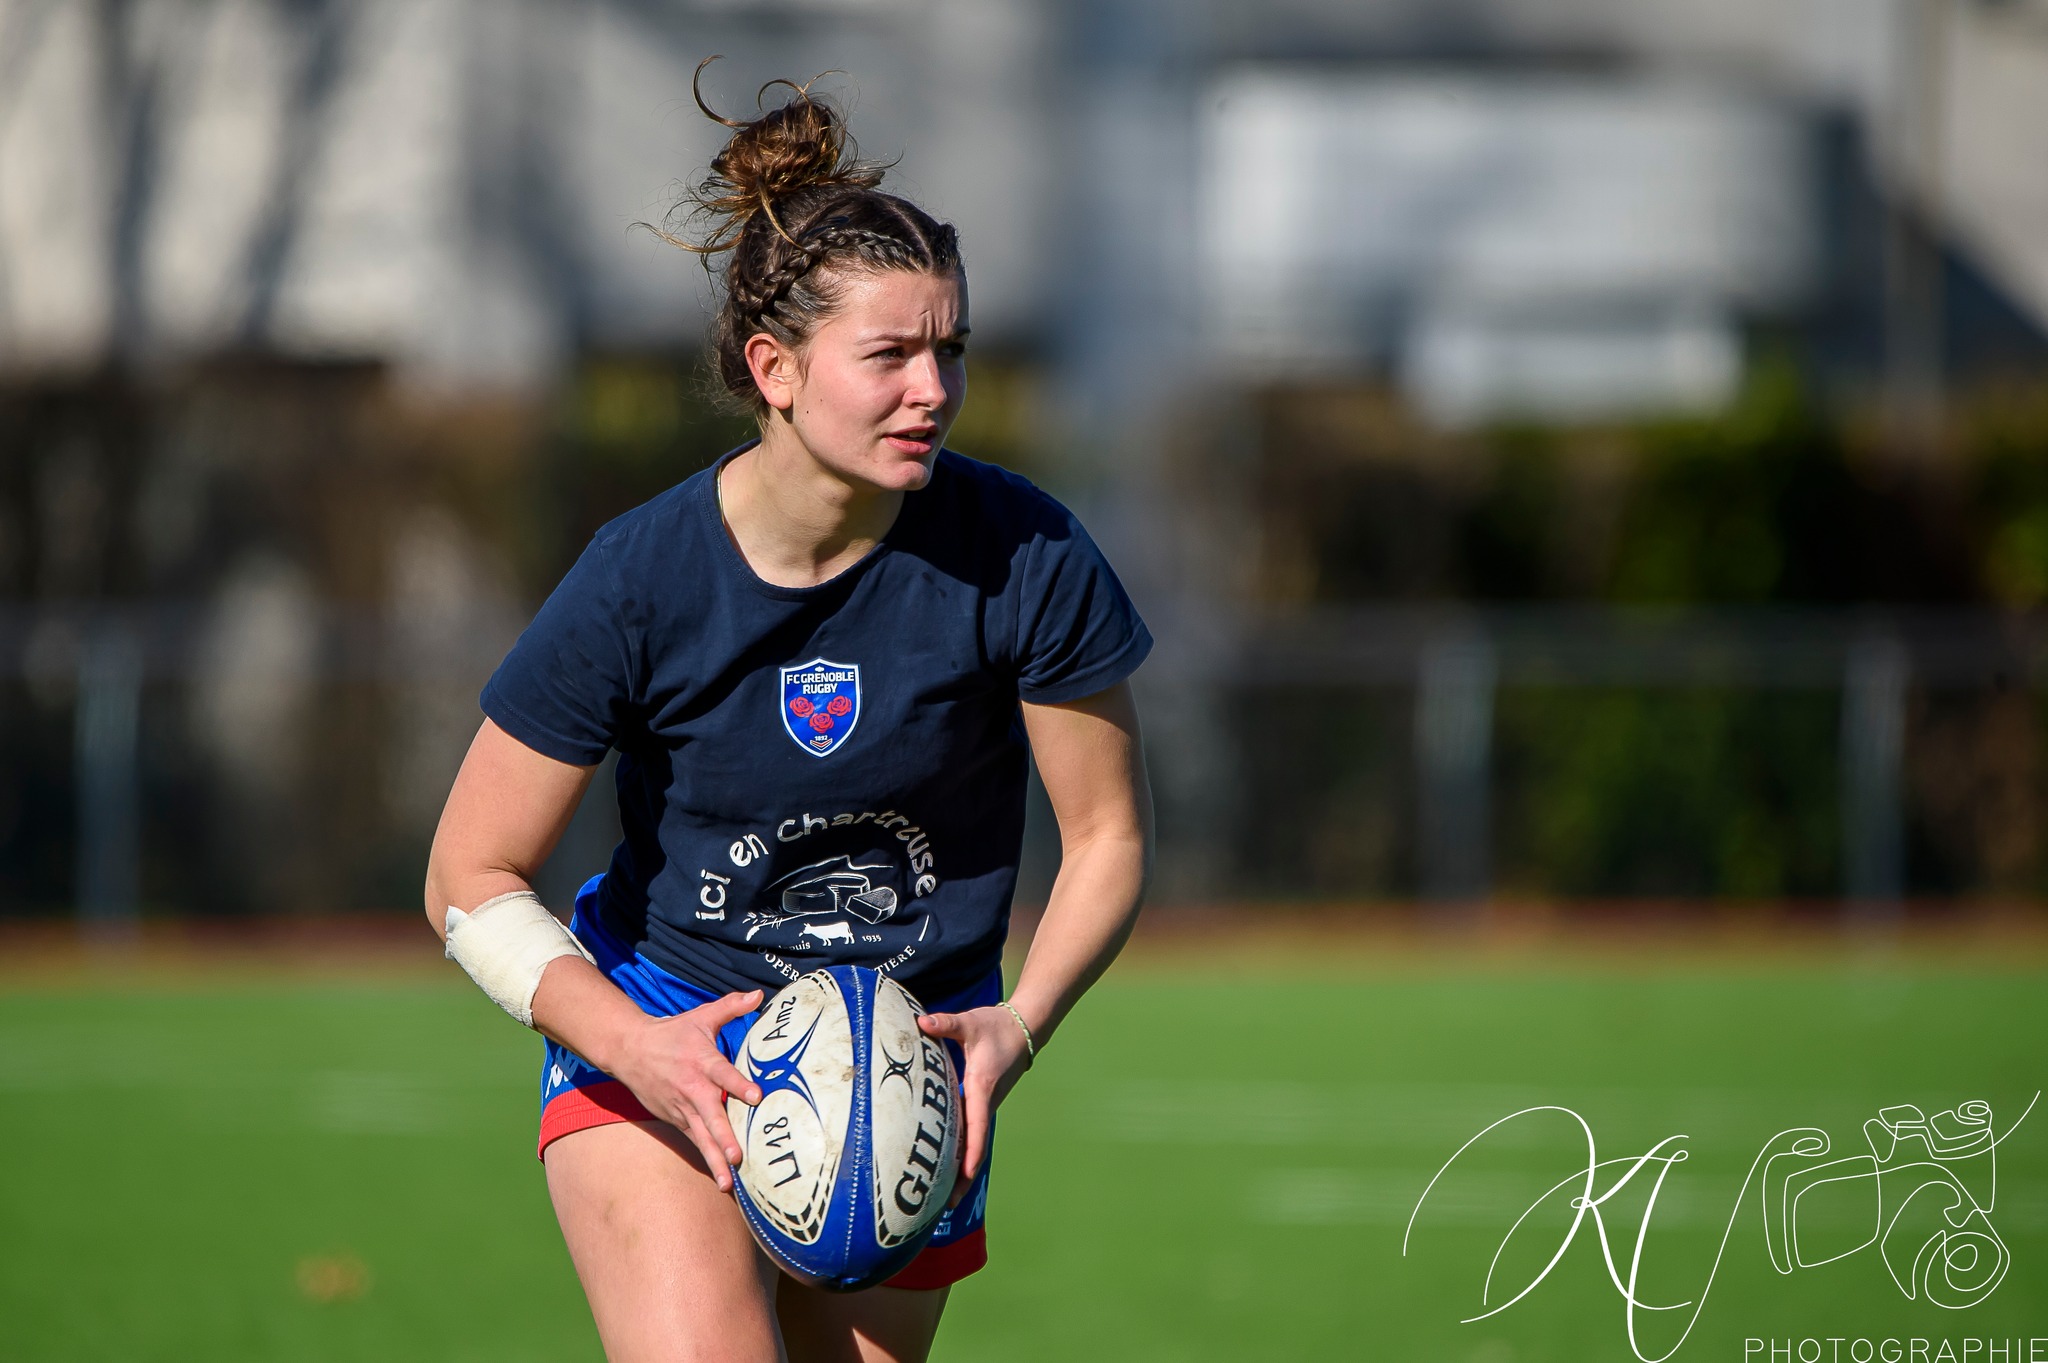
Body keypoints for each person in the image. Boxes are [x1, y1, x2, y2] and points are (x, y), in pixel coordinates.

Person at [423, 65, 1154, 1363]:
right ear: (775, 368)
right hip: (668, 1024)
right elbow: (469, 879)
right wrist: (631, 1045)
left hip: (910, 1058)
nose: (934, 387)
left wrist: (1018, 1023)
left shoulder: (1027, 554)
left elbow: (1105, 840)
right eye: (890, 355)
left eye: (951, 350)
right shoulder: (639, 578)